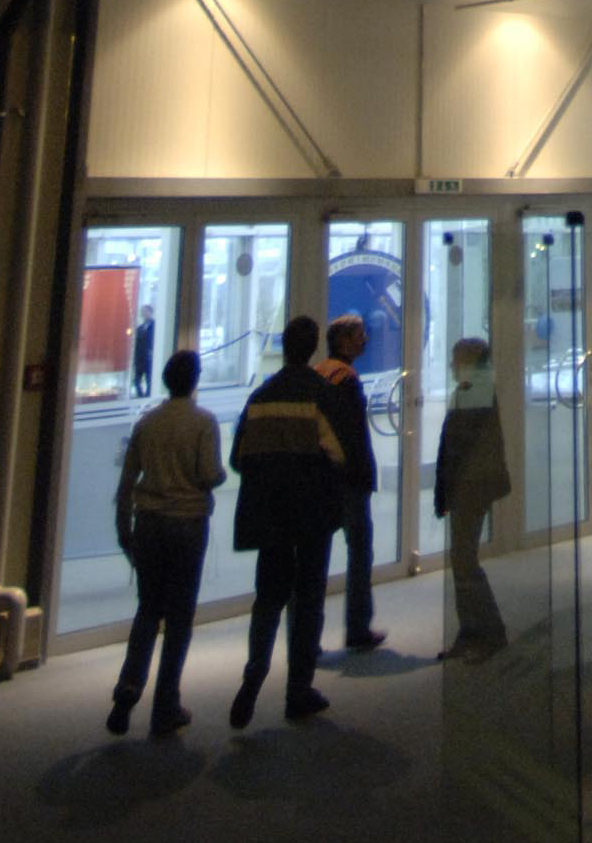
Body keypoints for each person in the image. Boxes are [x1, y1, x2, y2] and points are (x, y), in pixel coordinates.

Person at [227, 313, 346, 727]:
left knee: (269, 599)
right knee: (308, 602)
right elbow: (337, 455)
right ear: (313, 347)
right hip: (311, 515)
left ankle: (253, 679)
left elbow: (237, 457)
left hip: (271, 516)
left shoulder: (260, 397)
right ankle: (298, 690)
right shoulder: (320, 394)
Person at [106, 347, 224, 737]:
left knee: (148, 609)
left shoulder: (147, 423)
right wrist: (219, 476)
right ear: (195, 380)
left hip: (150, 523)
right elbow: (208, 473)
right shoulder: (204, 422)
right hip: (187, 523)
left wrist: (125, 529)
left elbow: (126, 483)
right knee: (179, 617)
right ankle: (166, 703)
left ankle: (128, 686)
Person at [433, 336, 510, 662]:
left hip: (470, 485)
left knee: (465, 561)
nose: (451, 365)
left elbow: (458, 447)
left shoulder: (473, 393)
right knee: (462, 560)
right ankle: (471, 631)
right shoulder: (471, 391)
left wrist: (447, 487)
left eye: (454, 358)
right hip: (467, 485)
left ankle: (489, 632)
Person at [314, 311, 386, 652]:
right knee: (359, 552)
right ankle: (357, 628)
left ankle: (308, 637)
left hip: (323, 479)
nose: (364, 340)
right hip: (350, 480)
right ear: (342, 340)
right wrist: (363, 474)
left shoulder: (320, 374)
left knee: (317, 558)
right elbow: (354, 435)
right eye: (358, 335)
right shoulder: (346, 378)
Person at [130, 303, 155, 396]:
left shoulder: (155, 326)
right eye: (142, 312)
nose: (143, 314)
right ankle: (140, 396)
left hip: (149, 357)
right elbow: (137, 343)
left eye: (145, 311)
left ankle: (148, 396)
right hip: (140, 358)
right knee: (137, 380)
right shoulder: (140, 328)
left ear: (150, 312)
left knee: (149, 379)